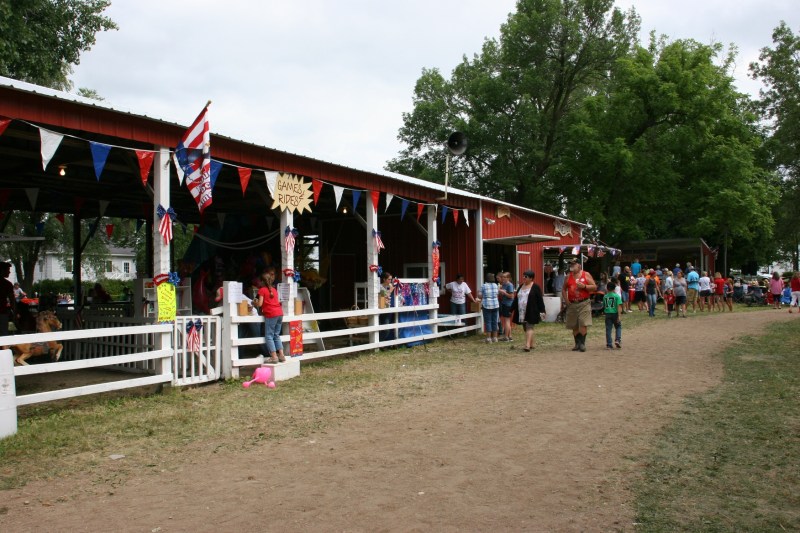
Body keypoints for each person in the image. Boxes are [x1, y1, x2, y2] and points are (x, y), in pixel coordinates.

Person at [561, 258, 596, 352]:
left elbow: (594, 287)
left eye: (573, 264)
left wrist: (584, 286)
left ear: (579, 265)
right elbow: (564, 289)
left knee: (583, 323)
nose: (571, 266)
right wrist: (566, 300)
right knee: (574, 324)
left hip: (584, 302)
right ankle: (577, 343)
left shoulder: (586, 274)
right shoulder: (568, 276)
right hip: (572, 303)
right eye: (570, 264)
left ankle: (582, 344)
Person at [254, 267, 285, 363]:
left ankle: (274, 356)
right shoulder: (274, 290)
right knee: (276, 335)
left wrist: (254, 302)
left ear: (262, 282)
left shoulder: (262, 290)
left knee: (269, 336)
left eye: (259, 281)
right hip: (279, 313)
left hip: (271, 314)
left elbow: (260, 304)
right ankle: (282, 355)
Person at [511, 270, 545, 352]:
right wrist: (511, 309)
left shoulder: (535, 287)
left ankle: (527, 345)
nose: (524, 278)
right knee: (525, 328)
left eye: (525, 276)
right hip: (521, 311)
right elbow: (516, 299)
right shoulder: (521, 286)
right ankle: (532, 344)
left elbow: (540, 300)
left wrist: (542, 310)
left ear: (531, 278)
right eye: (523, 276)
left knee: (529, 326)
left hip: (532, 310)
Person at [479, 273, 500, 343]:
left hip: (487, 304)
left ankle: (488, 338)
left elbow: (479, 296)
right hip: (495, 304)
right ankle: (495, 338)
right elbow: (497, 294)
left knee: (488, 321)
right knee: (495, 321)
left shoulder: (484, 286)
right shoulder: (495, 285)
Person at [602, 281, 622, 349]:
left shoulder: (605, 296)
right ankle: (617, 340)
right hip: (615, 313)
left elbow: (604, 305)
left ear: (607, 288)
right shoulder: (617, 296)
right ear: (614, 288)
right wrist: (619, 316)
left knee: (608, 329)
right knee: (618, 326)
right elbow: (619, 306)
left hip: (607, 313)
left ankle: (609, 344)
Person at [378, 271, 396, 343]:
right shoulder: (380, 287)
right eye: (389, 279)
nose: (390, 281)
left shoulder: (389, 286)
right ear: (384, 279)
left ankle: (384, 343)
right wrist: (390, 291)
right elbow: (383, 298)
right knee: (385, 329)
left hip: (388, 308)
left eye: (391, 279)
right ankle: (380, 342)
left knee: (389, 328)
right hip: (382, 309)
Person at [497, 272, 515, 342]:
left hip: (508, 304)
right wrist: (501, 292)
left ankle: (506, 337)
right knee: (506, 320)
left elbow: (511, 296)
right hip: (504, 303)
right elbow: (503, 295)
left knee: (507, 321)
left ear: (508, 278)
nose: (503, 278)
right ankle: (510, 336)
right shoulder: (504, 285)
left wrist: (504, 292)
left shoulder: (510, 285)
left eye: (505, 277)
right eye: (503, 277)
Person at [0, 262, 15, 336]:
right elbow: (12, 300)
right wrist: (15, 312)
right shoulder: (7, 284)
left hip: (3, 312)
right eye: (8, 270)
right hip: (2, 312)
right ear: (2, 270)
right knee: (3, 334)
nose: (9, 272)